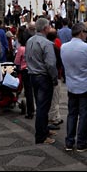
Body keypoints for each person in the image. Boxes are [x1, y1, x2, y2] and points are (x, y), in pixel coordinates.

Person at [60, 22, 87, 153]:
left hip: (71, 85)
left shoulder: (64, 47)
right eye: (85, 32)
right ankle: (81, 142)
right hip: (85, 83)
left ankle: (69, 141)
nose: (86, 35)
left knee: (72, 114)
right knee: (84, 115)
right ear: (81, 33)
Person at [25, 17, 58, 145]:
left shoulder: (30, 41)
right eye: (49, 26)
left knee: (41, 105)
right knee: (43, 107)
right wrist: (54, 78)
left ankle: (44, 129)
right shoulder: (47, 43)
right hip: (43, 76)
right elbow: (51, 64)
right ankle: (41, 136)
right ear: (45, 28)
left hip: (33, 75)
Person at [14, 25, 35, 119]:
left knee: (28, 91)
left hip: (25, 71)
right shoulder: (33, 47)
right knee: (35, 91)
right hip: (34, 69)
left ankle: (30, 111)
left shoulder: (21, 49)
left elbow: (17, 61)